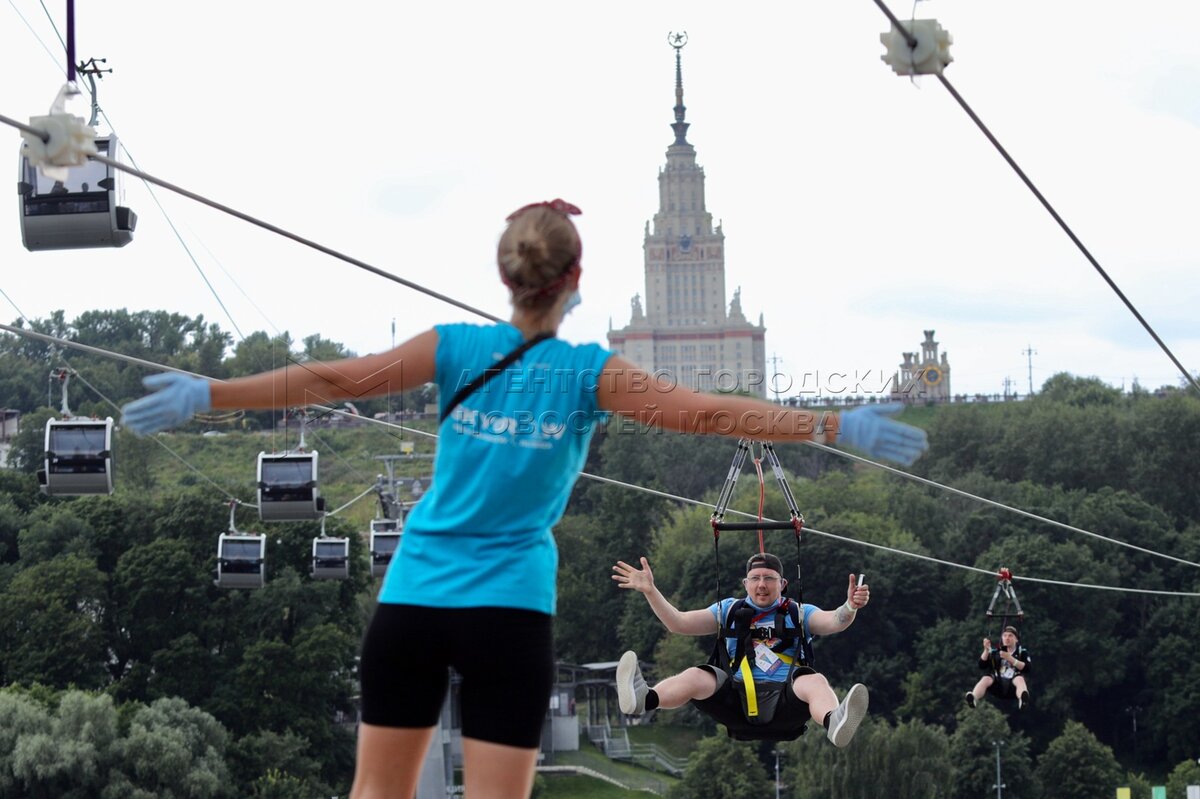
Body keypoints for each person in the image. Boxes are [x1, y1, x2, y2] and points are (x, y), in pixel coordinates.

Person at [120, 200, 927, 798]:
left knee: (376, 793)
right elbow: (715, 412)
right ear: (575, 281)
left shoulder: (454, 346)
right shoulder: (589, 372)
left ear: (504, 276)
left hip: (416, 597)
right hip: (509, 612)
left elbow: (332, 379)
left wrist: (214, 392)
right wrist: (830, 422)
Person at [612, 552, 871, 747]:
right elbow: (678, 623)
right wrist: (650, 591)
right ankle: (645, 700)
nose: (762, 585)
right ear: (745, 583)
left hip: (785, 703)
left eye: (769, 578)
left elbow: (834, 622)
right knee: (697, 675)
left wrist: (849, 607)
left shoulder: (798, 613)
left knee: (813, 680)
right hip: (736, 701)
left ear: (782, 584)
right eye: (756, 579)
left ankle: (832, 720)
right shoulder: (728, 611)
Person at [965, 625, 1032, 710]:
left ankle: (1022, 699)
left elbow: (1027, 668)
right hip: (997, 684)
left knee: (1019, 679)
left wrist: (1010, 659)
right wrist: (986, 650)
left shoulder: (1022, 652)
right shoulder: (995, 652)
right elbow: (981, 665)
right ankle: (974, 698)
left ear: (1016, 639)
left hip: (1012, 686)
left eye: (1010, 636)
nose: (1007, 638)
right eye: (1005, 636)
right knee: (986, 678)